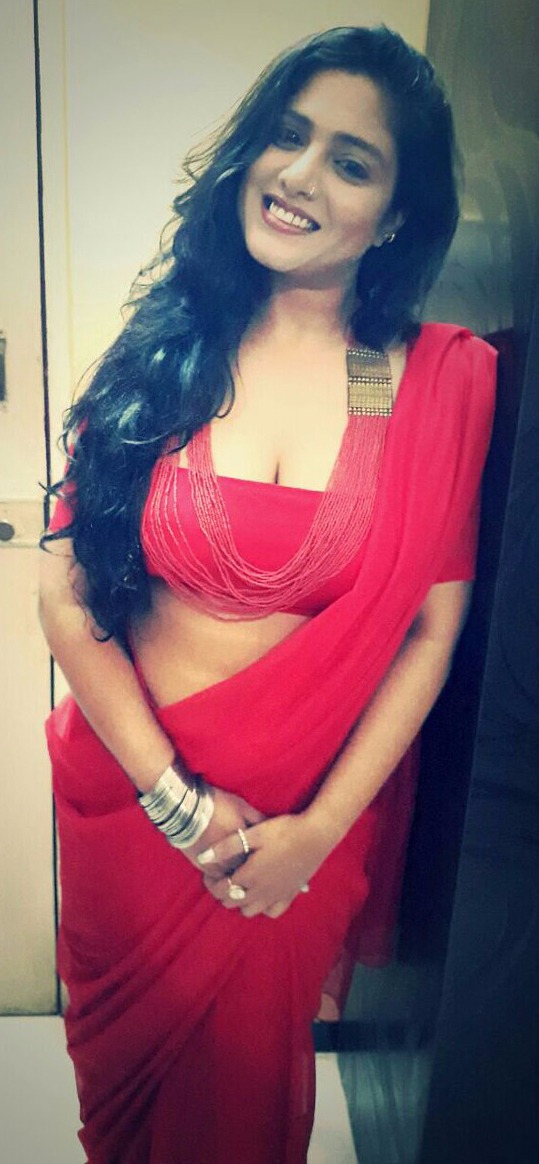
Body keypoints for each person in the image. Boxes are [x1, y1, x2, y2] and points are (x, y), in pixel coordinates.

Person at [39, 24, 497, 1164]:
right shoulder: (160, 352)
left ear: (392, 215)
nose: (298, 175)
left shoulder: (438, 382)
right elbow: (66, 598)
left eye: (351, 161)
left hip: (293, 838)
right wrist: (179, 807)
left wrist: (315, 835)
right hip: (134, 809)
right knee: (125, 1114)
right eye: (287, 136)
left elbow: (431, 630)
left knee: (241, 1110)